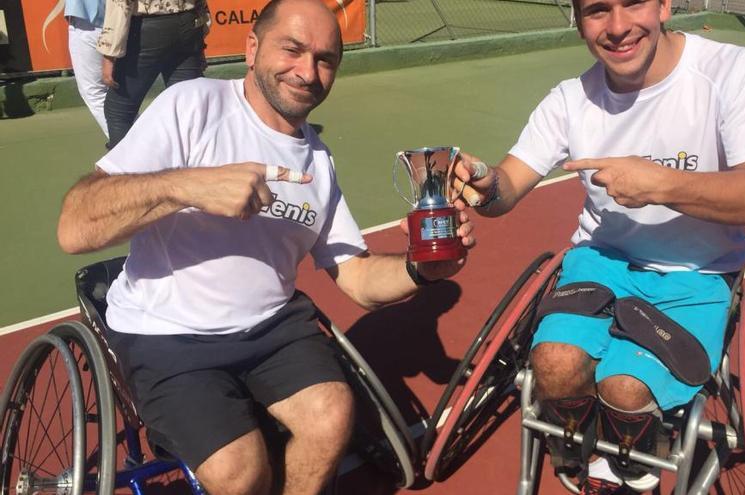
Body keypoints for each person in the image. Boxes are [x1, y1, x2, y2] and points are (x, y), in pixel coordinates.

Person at [57, 1, 474, 494]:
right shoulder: (193, 105)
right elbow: (74, 228)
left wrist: (422, 269)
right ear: (252, 48)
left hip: (270, 326)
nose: (308, 71)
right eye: (292, 50)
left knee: (331, 417)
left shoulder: (318, 161)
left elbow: (357, 279)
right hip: (168, 333)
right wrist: (189, 186)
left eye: (325, 60)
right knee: (242, 472)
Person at [453, 0, 745, 491]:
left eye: (632, 3)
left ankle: (631, 468)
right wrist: (484, 184)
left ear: (664, 5)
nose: (617, 27)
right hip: (601, 261)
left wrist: (661, 184)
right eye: (597, 10)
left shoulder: (730, 71)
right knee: (551, 364)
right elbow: (508, 184)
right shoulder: (572, 99)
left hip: (697, 272)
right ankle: (575, 445)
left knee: (626, 388)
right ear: (577, 19)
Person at [97, 0, 210, 149]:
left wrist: (109, 53)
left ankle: (125, 170)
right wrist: (202, 25)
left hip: (149, 29)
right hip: (189, 23)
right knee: (189, 108)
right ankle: (201, 166)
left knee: (118, 110)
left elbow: (120, 2)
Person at [66, 0, 110, 137]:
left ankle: (129, 147)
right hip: (124, 18)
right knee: (120, 93)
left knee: (94, 92)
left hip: (90, 20)